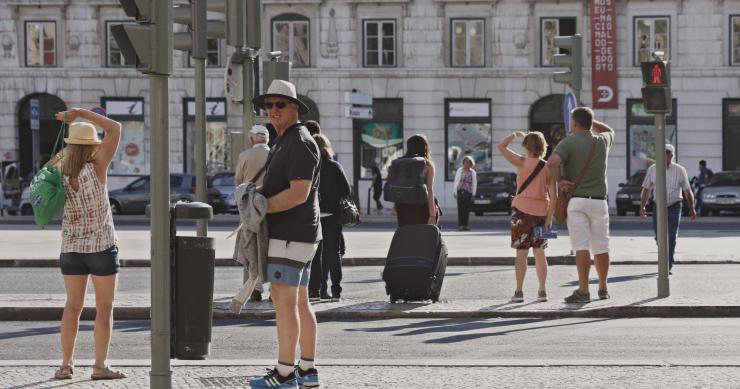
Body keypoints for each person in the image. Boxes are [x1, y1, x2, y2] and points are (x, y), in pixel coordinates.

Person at [249, 80, 322, 389]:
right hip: (298, 233)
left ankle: (284, 373)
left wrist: (261, 206)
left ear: (295, 108)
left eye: (280, 104)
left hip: (291, 234)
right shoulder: (286, 140)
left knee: (284, 301)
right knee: (300, 302)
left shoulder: (299, 141)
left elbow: (298, 194)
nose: (273, 110)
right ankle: (306, 371)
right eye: (269, 105)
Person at [52, 108, 125, 380]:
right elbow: (116, 127)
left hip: (70, 247)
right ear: (93, 145)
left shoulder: (59, 170)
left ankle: (65, 365)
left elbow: (55, 163)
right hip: (101, 247)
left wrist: (70, 135)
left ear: (70, 145)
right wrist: (82, 114)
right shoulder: (97, 166)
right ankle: (99, 366)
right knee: (104, 308)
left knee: (72, 306)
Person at [546, 107, 614, 303]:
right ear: (590, 124)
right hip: (600, 202)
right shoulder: (602, 141)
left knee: (581, 246)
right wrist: (593, 123)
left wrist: (560, 182)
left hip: (577, 200)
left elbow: (551, 163)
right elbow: (609, 130)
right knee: (602, 246)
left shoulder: (568, 142)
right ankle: (603, 287)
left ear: (574, 123)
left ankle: (584, 290)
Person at [498, 131, 556, 302]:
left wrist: (513, 135)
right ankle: (543, 291)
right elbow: (554, 196)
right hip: (542, 214)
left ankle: (519, 292)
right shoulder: (548, 167)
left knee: (521, 253)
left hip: (521, 212)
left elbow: (501, 147)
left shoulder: (522, 162)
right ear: (543, 147)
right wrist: (550, 218)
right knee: (540, 252)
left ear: (526, 147)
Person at [640, 144, 696, 274]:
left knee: (671, 236)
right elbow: (647, 189)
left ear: (672, 155)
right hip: (658, 206)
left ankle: (667, 263)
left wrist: (691, 207)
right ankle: (664, 257)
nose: (665, 156)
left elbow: (687, 190)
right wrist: (642, 206)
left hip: (674, 206)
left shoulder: (680, 170)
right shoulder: (653, 169)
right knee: (660, 237)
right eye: (663, 153)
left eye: (668, 153)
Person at [234, 124, 271, 302]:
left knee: (250, 246)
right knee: (271, 247)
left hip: (250, 208)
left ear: (251, 139)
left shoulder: (244, 156)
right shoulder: (274, 154)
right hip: (271, 206)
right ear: (267, 139)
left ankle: (255, 289)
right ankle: (274, 289)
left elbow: (238, 182)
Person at [313, 133, 350, 301]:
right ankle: (336, 290)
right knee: (333, 254)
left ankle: (319, 289)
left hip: (313, 216)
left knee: (315, 255)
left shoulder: (309, 166)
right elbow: (346, 191)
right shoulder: (334, 166)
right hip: (333, 216)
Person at [394, 134, 439, 226]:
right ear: (425, 147)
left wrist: (397, 207)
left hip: (403, 206)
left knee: (407, 236)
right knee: (426, 237)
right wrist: (432, 215)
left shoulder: (399, 163)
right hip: (422, 205)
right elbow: (429, 191)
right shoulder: (427, 165)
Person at [452, 156, 477, 231]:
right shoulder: (460, 170)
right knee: (460, 209)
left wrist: (473, 194)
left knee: (466, 210)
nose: (466, 163)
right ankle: (460, 225)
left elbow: (474, 183)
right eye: (465, 162)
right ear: (463, 163)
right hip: (460, 191)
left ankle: (465, 225)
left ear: (471, 163)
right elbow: (456, 180)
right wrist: (454, 191)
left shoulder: (472, 172)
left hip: (468, 192)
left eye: (468, 162)